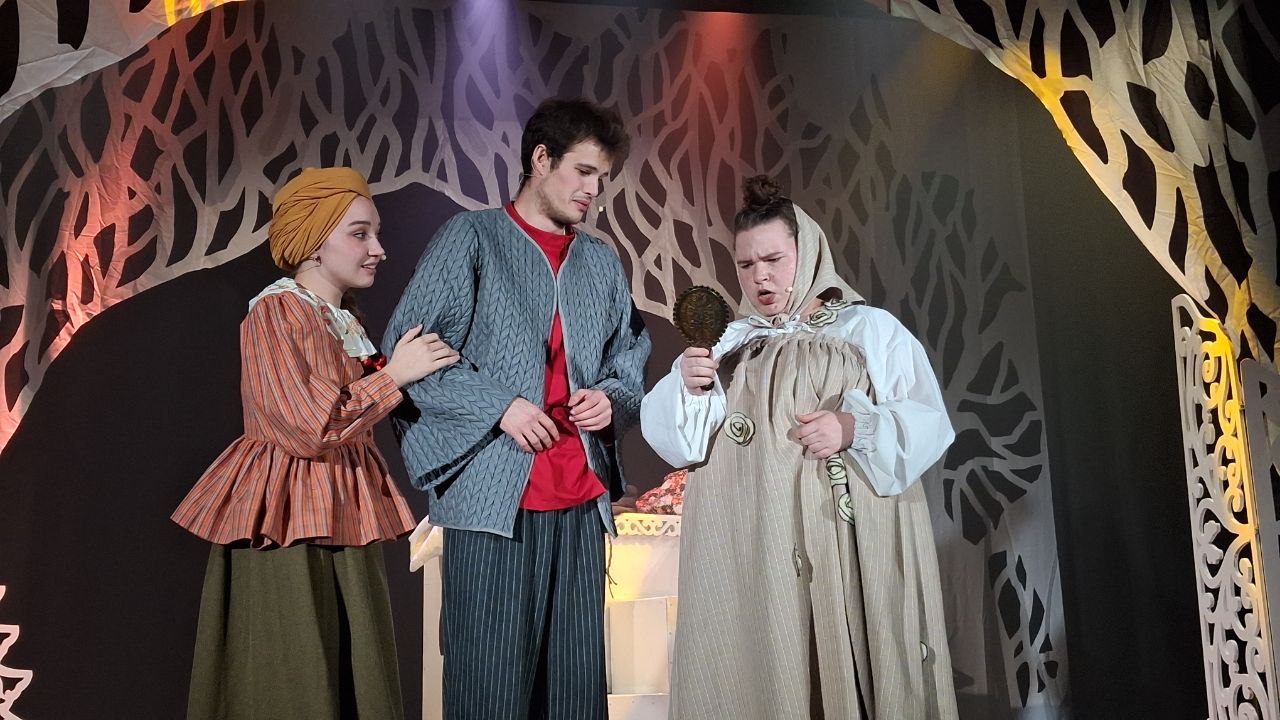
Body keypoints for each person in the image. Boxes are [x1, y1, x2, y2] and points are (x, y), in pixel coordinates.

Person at [641, 175, 959, 719]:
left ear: (807, 252)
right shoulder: (729, 342)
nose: (760, 276)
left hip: (839, 535)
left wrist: (853, 427)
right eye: (746, 264)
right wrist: (690, 386)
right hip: (751, 542)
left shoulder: (866, 329)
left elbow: (928, 419)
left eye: (773, 259)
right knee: (760, 663)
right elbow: (681, 444)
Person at [383, 98, 651, 720]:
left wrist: (610, 398)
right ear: (541, 159)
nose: (593, 191)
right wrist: (500, 406)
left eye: (602, 178)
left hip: (579, 500)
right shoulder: (472, 238)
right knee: (490, 687)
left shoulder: (600, 261)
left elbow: (629, 357)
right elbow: (410, 351)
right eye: (583, 171)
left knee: (575, 691)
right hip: (494, 502)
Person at [172, 167, 459, 719]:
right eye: (359, 234)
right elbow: (308, 427)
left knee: (354, 663)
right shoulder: (277, 311)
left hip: (341, 505)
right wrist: (394, 376)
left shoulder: (341, 321)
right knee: (295, 668)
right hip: (289, 516)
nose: (378, 249)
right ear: (312, 242)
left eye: (376, 233)